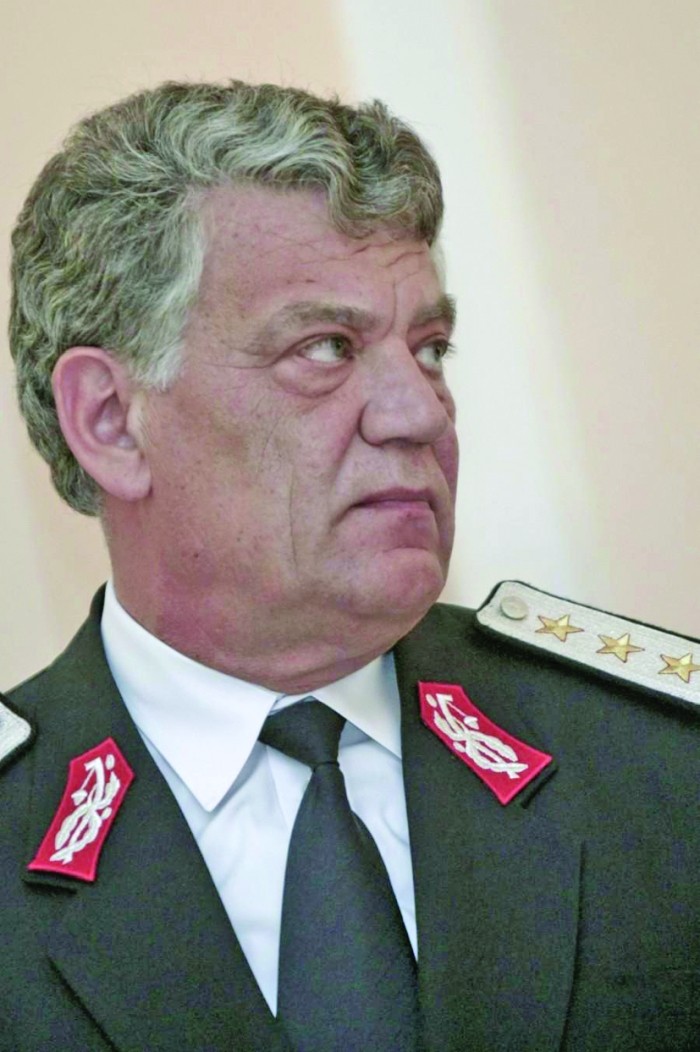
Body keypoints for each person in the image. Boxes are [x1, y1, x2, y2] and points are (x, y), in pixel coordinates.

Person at [1, 81, 698, 1052]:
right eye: (326, 347)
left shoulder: (657, 759)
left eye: (430, 348)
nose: (419, 412)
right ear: (113, 421)